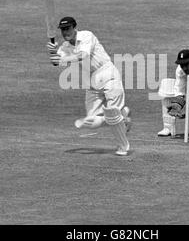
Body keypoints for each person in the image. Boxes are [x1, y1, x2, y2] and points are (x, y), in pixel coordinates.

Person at [46, 17, 131, 156]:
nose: (65, 32)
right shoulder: (65, 46)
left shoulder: (86, 35)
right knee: (91, 121)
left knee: (111, 112)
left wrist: (63, 58)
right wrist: (52, 52)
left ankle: (123, 146)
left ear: (74, 27)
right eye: (63, 30)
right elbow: (56, 62)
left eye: (67, 28)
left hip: (108, 73)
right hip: (92, 80)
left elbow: (83, 55)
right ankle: (122, 115)